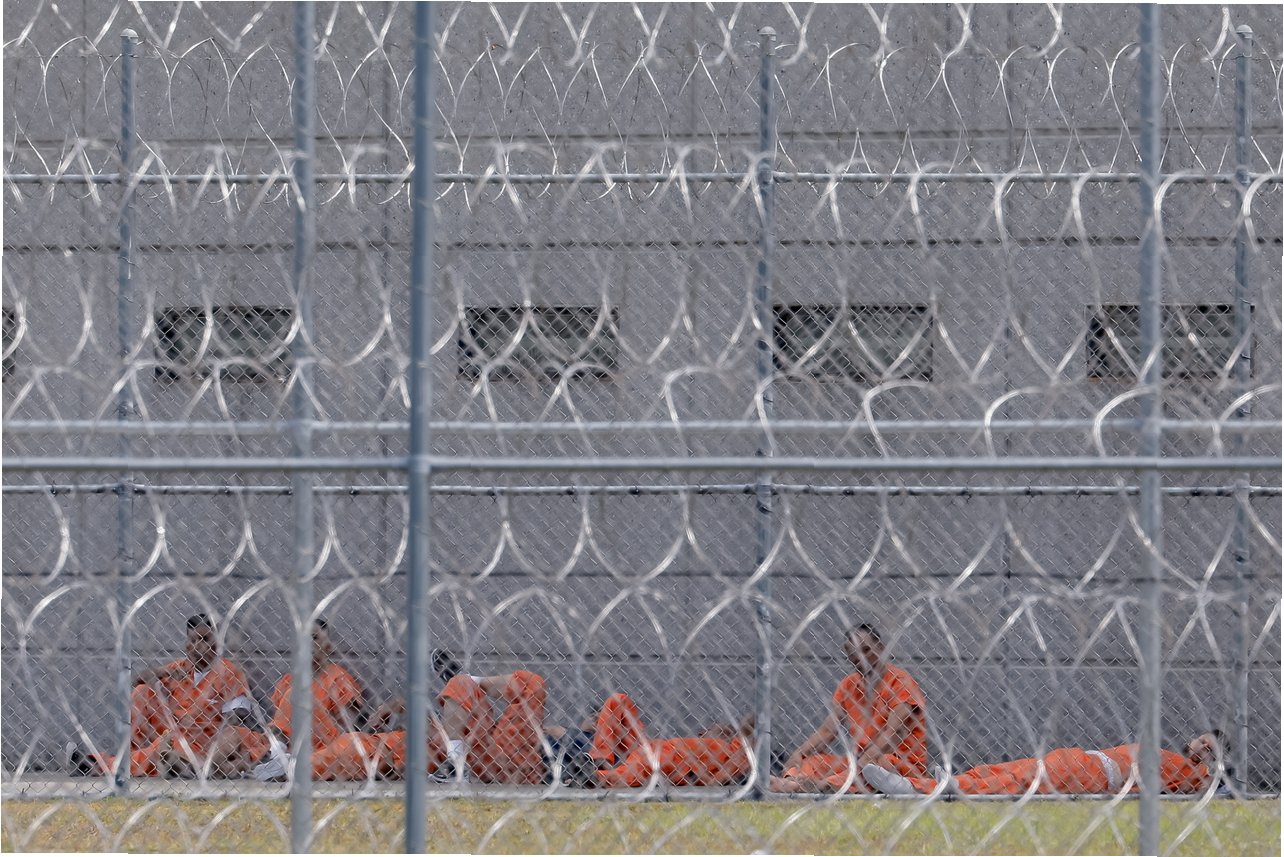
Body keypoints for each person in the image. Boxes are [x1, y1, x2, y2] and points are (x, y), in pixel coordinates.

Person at [68, 614, 258, 779]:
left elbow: (238, 717)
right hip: (174, 732)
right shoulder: (180, 667)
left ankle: (98, 765)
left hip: (207, 738)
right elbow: (138, 680)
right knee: (142, 692)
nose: (197, 646)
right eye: (193, 641)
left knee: (163, 748)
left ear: (217, 643)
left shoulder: (228, 672)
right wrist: (162, 673)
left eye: (204, 639)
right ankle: (135, 759)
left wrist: (202, 725)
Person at [771, 624, 928, 794]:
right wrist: (800, 754)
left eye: (866, 650)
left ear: (881, 648)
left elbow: (895, 733)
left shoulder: (901, 682)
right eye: (854, 654)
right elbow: (827, 731)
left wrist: (865, 760)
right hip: (860, 762)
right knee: (814, 761)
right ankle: (794, 782)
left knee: (876, 765)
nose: (861, 658)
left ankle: (820, 786)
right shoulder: (848, 685)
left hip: (897, 763)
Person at [861, 730, 1227, 796]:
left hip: (1093, 773)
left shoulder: (1194, 774)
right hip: (1081, 760)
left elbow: (1213, 787)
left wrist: (1214, 771)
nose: (1200, 746)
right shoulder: (1173, 759)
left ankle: (921, 787)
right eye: (1202, 739)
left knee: (1019, 780)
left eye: (1209, 747)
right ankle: (951, 782)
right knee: (1007, 770)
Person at [242, 620, 367, 781]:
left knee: (298, 694)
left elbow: (348, 729)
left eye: (314, 638)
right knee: (235, 733)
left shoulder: (339, 678)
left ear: (328, 646)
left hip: (326, 745)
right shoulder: (289, 679)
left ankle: (274, 758)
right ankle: (272, 759)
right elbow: (279, 723)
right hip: (290, 743)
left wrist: (312, 717)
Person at [569, 691, 754, 788]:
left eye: (730, 734)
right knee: (618, 700)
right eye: (722, 731)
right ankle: (599, 759)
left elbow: (750, 729)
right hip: (652, 746)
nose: (728, 735)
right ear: (702, 732)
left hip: (676, 760)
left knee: (645, 764)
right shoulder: (702, 742)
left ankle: (597, 778)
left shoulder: (735, 751)